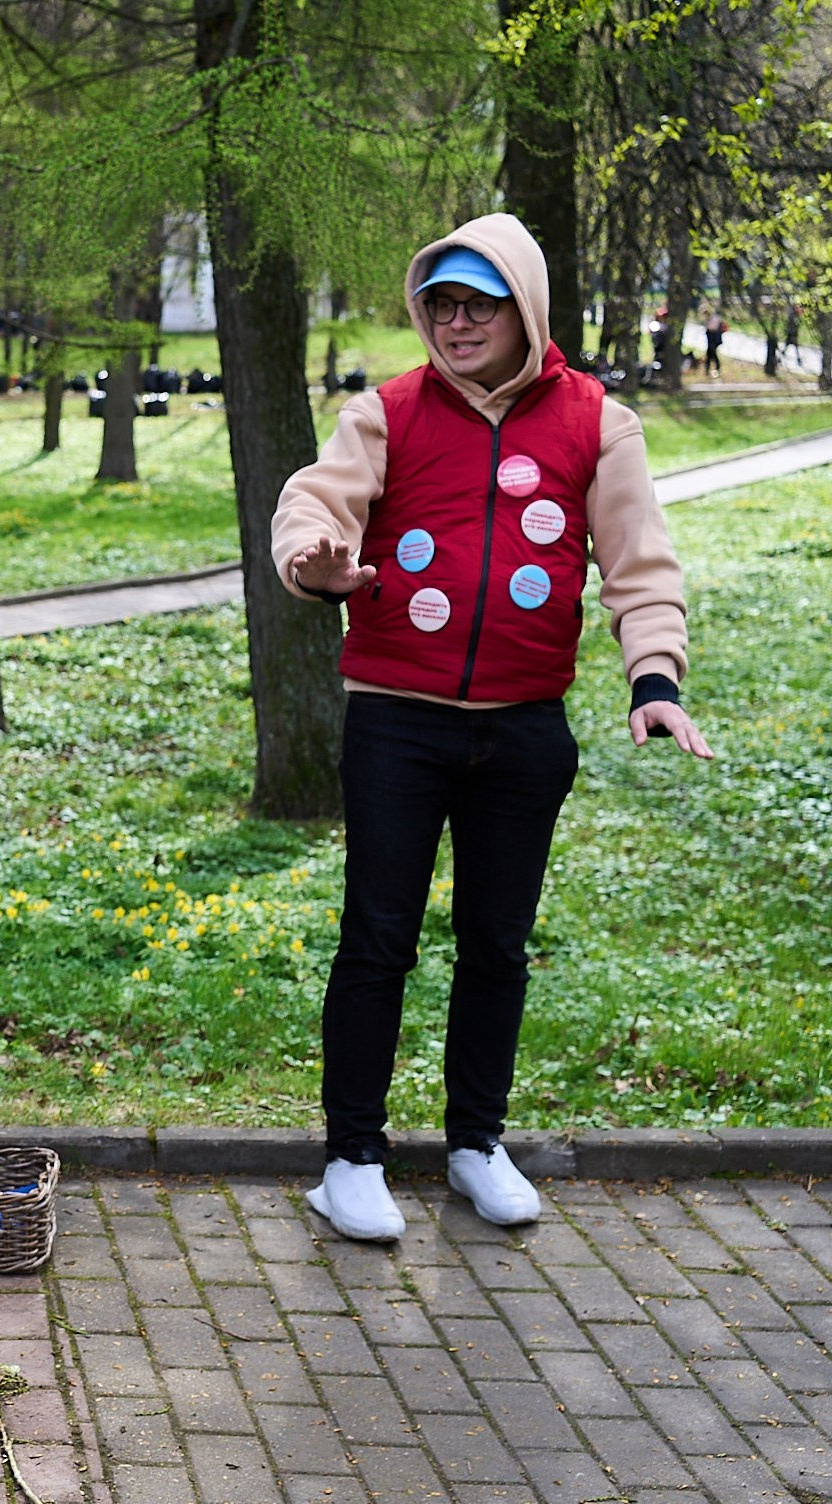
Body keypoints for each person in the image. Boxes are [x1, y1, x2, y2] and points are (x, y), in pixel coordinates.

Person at [273, 214, 711, 1245]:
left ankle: (474, 1143)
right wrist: (318, 562)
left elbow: (640, 563)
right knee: (376, 940)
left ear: (525, 309)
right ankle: (349, 1160)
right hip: (396, 725)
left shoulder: (596, 422)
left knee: (496, 945)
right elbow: (310, 504)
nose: (457, 323)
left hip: (522, 730)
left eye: (480, 304)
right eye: (441, 305)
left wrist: (654, 676)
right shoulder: (384, 413)